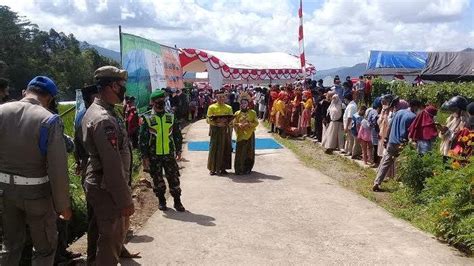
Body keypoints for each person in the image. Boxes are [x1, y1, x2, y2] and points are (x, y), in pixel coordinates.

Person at [0, 76, 72, 265]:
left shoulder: (1, 111)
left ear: (26, 91)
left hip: (5, 191)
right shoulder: (48, 119)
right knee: (44, 249)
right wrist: (63, 205)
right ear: (49, 98)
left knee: (10, 246)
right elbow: (58, 168)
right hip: (37, 195)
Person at [81, 66, 135, 265]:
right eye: (122, 86)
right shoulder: (104, 119)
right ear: (113, 86)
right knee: (110, 239)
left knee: (98, 232)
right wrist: (124, 200)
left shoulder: (97, 110)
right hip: (107, 187)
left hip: (99, 183)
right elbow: (111, 164)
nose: (124, 90)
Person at [139, 90, 185, 212]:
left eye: (162, 101)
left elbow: (176, 134)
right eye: (157, 101)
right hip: (154, 155)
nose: (160, 103)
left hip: (168, 153)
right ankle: (162, 201)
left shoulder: (170, 116)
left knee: (174, 178)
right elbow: (142, 138)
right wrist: (144, 156)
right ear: (152, 102)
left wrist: (179, 149)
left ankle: (177, 201)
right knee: (157, 179)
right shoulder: (147, 117)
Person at [373, 99, 423, 191]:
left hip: (391, 141)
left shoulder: (399, 112)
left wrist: (386, 139)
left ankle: (377, 182)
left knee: (385, 162)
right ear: (415, 106)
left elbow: (390, 126)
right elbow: (411, 133)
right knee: (403, 164)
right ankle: (403, 185)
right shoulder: (413, 117)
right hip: (402, 144)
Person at [207, 90, 234, 175]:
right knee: (214, 148)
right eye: (219, 97)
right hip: (215, 130)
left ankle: (223, 168)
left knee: (225, 148)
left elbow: (231, 119)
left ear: (225, 97)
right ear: (216, 97)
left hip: (225, 130)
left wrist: (226, 122)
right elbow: (208, 119)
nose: (221, 98)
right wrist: (217, 123)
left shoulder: (228, 108)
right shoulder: (212, 107)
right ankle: (212, 168)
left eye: (222, 97)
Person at [233, 94, 259, 175]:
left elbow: (256, 122)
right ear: (240, 104)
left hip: (250, 134)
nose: (243, 104)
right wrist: (238, 125)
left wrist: (249, 124)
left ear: (248, 104)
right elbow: (233, 123)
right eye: (242, 103)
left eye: (245, 103)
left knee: (249, 152)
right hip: (241, 135)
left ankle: (247, 168)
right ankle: (238, 169)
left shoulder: (253, 112)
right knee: (240, 152)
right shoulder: (237, 113)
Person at [439, 96, 469, 162]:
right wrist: (443, 131)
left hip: (456, 152)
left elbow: (460, 137)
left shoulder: (465, 121)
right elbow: (445, 136)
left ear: (461, 109)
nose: (453, 111)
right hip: (447, 150)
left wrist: (447, 131)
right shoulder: (451, 119)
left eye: (454, 109)